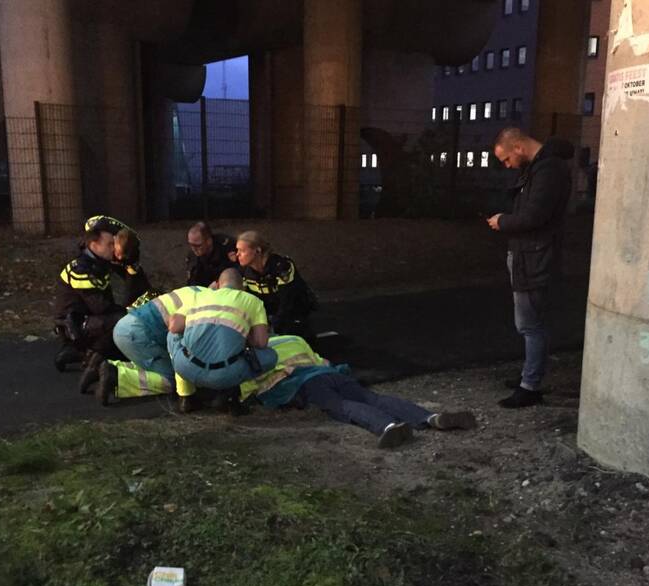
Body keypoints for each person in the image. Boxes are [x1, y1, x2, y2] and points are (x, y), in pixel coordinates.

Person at [240, 335, 477, 448]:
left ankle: (388, 427)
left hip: (305, 383)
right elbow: (323, 360)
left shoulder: (254, 356)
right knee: (372, 397)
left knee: (342, 407)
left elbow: (249, 389)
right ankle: (430, 417)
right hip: (330, 373)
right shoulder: (293, 339)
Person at [486, 127, 573, 409]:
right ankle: (529, 376)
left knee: (530, 324)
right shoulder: (539, 168)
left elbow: (534, 216)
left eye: (506, 159)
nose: (507, 165)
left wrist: (503, 221)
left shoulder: (548, 171)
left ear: (519, 148)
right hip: (530, 255)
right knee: (531, 322)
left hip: (535, 257)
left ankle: (530, 385)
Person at [168, 269, 277, 413]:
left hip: (187, 369)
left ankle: (185, 396)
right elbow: (261, 342)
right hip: (225, 375)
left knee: (172, 335)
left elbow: (174, 327)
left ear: (218, 284)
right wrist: (243, 334)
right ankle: (233, 394)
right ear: (243, 288)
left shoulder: (199, 296)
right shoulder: (253, 301)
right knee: (270, 356)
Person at [52, 215, 127, 387]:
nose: (114, 248)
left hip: (84, 320)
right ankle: (93, 355)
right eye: (110, 244)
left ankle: (89, 353)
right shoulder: (81, 269)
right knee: (122, 321)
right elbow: (100, 307)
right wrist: (129, 311)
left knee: (120, 318)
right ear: (94, 244)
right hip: (74, 325)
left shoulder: (98, 263)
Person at [104, 284, 207, 406]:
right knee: (173, 378)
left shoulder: (194, 289)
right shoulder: (205, 306)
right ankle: (118, 378)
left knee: (153, 365)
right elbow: (181, 346)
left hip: (124, 326)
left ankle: (106, 367)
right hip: (140, 334)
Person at [235, 230, 316, 337]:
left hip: (295, 311)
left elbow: (288, 301)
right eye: (237, 250)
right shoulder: (244, 272)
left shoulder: (281, 266)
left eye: (242, 251)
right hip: (269, 312)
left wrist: (273, 325)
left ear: (257, 250)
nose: (237, 254)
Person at [185, 221, 237, 287]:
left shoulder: (226, 247)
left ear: (209, 241)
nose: (194, 249)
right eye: (191, 244)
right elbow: (192, 283)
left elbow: (238, 272)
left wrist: (218, 282)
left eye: (198, 245)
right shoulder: (193, 256)